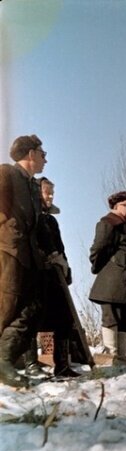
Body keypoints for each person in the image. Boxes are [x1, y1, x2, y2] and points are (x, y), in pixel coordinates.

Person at [0, 134, 46, 387]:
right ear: (30, 154)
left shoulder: (32, 185)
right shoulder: (6, 173)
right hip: (8, 251)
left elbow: (40, 226)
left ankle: (3, 360)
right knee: (6, 308)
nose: (45, 160)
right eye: (42, 154)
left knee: (33, 308)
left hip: (28, 257)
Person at [23, 177, 80, 377]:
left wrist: (66, 269)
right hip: (36, 274)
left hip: (54, 276)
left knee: (63, 318)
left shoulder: (50, 220)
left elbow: (60, 248)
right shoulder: (30, 216)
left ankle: (62, 364)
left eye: (52, 193)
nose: (51, 196)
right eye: (48, 192)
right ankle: (31, 364)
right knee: (32, 318)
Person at [89, 191, 126, 358]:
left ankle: (121, 360)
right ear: (116, 206)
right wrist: (106, 267)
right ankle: (111, 359)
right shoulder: (108, 223)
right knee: (111, 320)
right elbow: (98, 249)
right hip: (113, 284)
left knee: (124, 323)